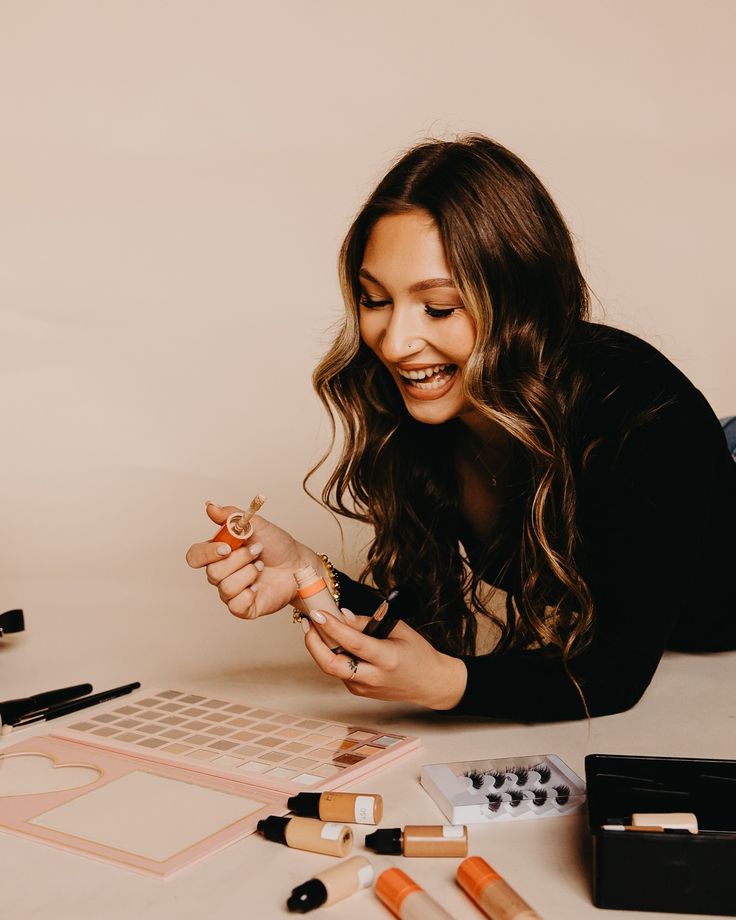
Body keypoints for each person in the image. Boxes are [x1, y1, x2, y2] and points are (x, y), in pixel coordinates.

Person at [186, 135, 736, 721]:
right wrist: (308, 573)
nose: (395, 345)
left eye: (440, 308)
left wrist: (451, 686)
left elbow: (612, 674)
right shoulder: (423, 406)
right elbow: (426, 640)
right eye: (375, 300)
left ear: (522, 302)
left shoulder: (645, 418)